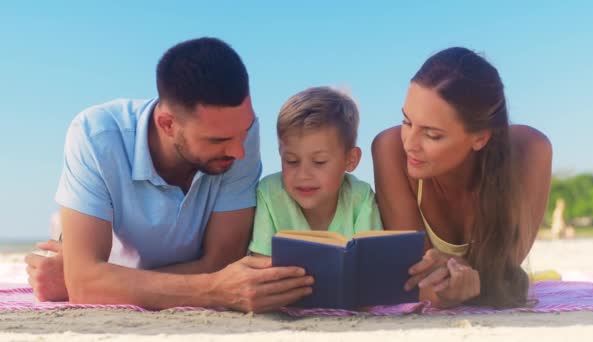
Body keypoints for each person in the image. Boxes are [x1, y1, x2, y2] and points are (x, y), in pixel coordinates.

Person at [24, 37, 313, 312]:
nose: (239, 151)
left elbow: (222, 262)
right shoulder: (95, 135)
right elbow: (86, 285)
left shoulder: (238, 135)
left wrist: (106, 279)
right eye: (217, 140)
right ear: (167, 124)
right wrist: (213, 289)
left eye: (244, 130)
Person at [372, 47, 552, 309]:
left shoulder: (530, 151)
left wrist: (458, 282)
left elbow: (504, 269)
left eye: (432, 135)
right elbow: (415, 276)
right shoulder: (389, 149)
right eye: (407, 121)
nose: (410, 143)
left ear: (480, 137)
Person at [248, 87, 383, 257]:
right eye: (291, 161)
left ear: (350, 159)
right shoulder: (269, 194)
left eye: (319, 162)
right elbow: (261, 266)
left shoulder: (360, 198)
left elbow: (371, 262)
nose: (303, 175)